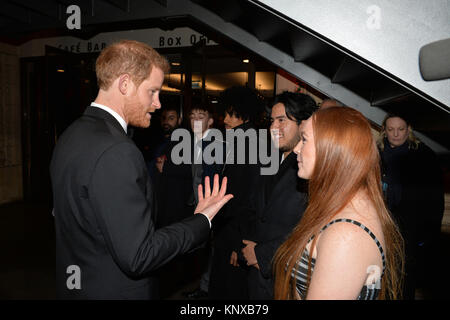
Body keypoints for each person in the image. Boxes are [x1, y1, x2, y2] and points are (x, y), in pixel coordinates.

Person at [50, 40, 233, 299]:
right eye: (152, 92)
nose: (158, 103)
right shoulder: (117, 150)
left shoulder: (72, 134)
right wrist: (201, 221)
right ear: (125, 85)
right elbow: (139, 256)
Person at [273, 106, 404, 300]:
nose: (296, 149)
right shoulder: (343, 203)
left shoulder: (346, 235)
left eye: (305, 139)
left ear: (332, 149)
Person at [239, 91, 317, 299]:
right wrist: (246, 246)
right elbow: (254, 208)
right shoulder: (269, 159)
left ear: (303, 124)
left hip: (287, 279)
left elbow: (311, 229)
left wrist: (262, 254)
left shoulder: (313, 167)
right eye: (272, 121)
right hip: (257, 276)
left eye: (282, 120)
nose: (273, 128)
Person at [377, 113, 444, 299]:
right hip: (381, 226)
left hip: (410, 233)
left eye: (401, 129)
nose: (396, 134)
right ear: (384, 131)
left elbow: (435, 200)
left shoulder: (424, 156)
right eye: (391, 130)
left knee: (404, 282)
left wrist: (427, 235)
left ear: (409, 130)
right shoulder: (377, 153)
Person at [208, 86, 265, 299]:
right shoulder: (242, 140)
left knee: (230, 290)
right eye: (226, 113)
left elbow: (246, 199)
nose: (226, 119)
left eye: (232, 114)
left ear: (245, 114)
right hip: (230, 231)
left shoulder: (247, 143)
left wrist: (237, 244)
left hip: (235, 234)